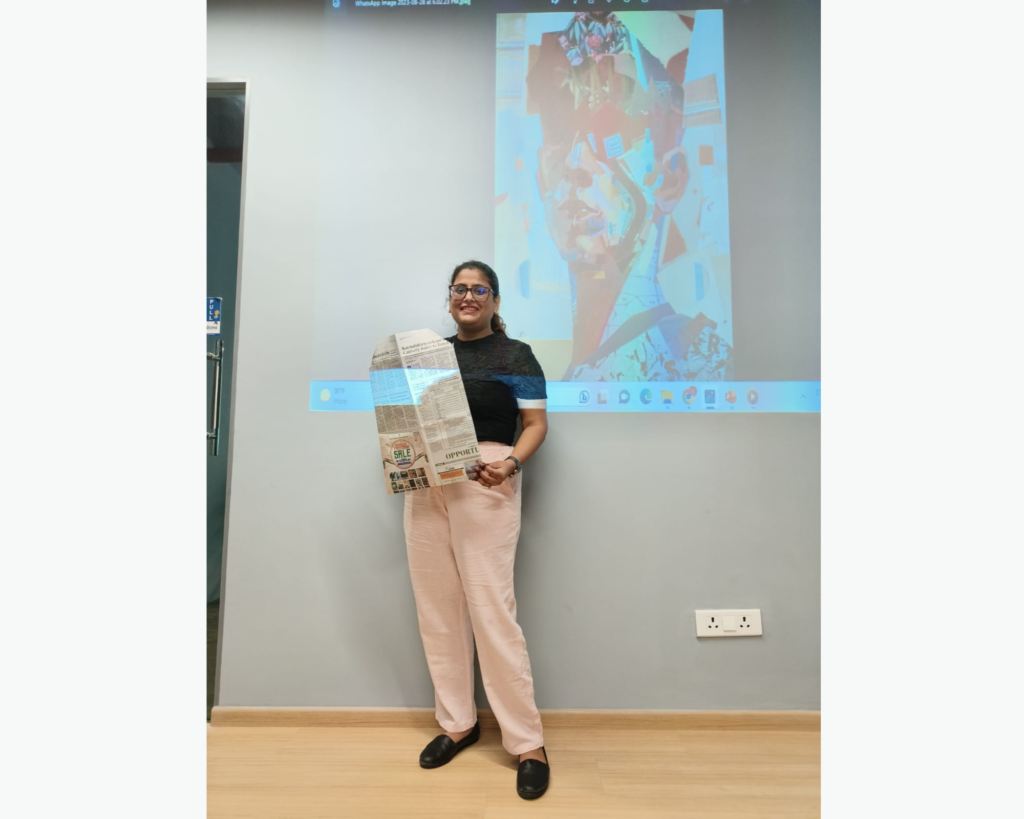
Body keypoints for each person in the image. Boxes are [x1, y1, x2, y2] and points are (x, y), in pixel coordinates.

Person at [403, 261, 551, 800]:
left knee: (492, 611)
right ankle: (458, 724)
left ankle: (528, 743)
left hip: (487, 480)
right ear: (449, 298)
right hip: (427, 485)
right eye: (459, 289)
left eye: (479, 289)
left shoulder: (517, 354)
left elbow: (535, 424)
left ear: (495, 299)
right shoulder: (428, 357)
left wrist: (509, 464)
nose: (468, 296)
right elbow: (408, 424)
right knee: (437, 610)